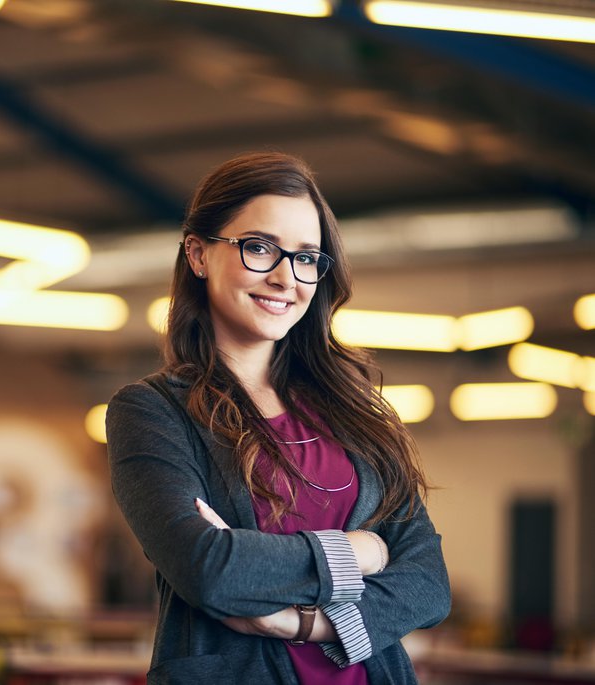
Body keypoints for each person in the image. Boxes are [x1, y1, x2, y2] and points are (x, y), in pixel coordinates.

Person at [106, 151, 450, 684]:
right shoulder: (152, 411)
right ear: (197, 254)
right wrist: (362, 550)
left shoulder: (353, 407)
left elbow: (427, 583)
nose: (286, 278)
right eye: (260, 248)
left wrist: (302, 624)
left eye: (307, 257)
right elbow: (210, 570)